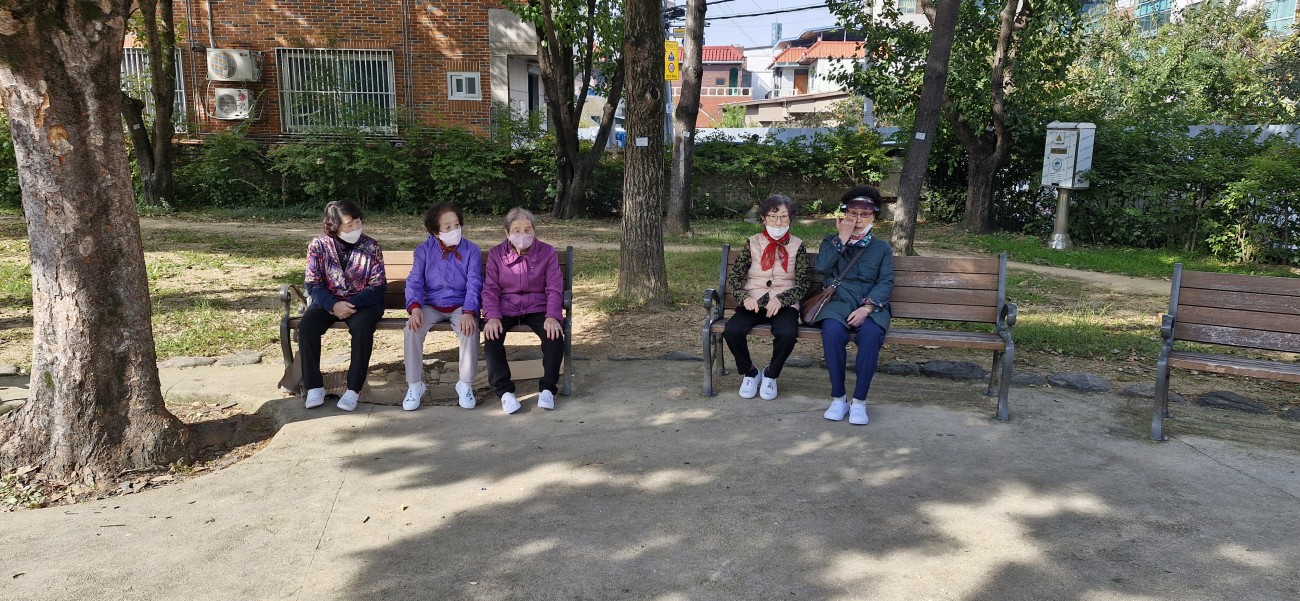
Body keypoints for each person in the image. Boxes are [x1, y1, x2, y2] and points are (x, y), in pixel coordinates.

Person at [812, 185, 894, 426]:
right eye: (852, 214)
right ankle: (838, 398)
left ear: (874, 217)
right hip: (838, 303)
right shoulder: (831, 241)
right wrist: (842, 239)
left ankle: (859, 401)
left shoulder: (882, 248)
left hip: (869, 307)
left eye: (865, 214)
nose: (858, 220)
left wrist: (867, 308)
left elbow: (886, 281)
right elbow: (821, 267)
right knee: (832, 331)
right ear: (844, 215)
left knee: (870, 335)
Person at [721, 194, 814, 400]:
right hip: (754, 301)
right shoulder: (752, 242)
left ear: (790, 218)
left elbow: (803, 283)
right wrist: (744, 297)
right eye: (773, 217)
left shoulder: (798, 245)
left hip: (783, 304)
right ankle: (750, 372)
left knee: (787, 333)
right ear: (764, 218)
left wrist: (782, 299)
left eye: (783, 216)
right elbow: (734, 277)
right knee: (732, 330)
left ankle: (771, 374)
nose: (778, 222)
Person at [298, 200, 387, 411]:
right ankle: (314, 386)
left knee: (362, 327)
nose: (356, 227)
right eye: (349, 224)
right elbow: (313, 283)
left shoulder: (371, 246)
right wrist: (334, 304)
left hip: (364, 303)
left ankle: (353, 389)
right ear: (334, 226)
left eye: (358, 222)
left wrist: (349, 304)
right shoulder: (318, 246)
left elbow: (378, 286)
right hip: (328, 302)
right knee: (307, 325)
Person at [481, 207, 565, 414]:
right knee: (491, 336)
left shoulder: (548, 252)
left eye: (527, 230)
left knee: (554, 335)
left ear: (534, 230)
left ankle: (547, 389)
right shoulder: (496, 254)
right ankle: (505, 392)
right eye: (516, 230)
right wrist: (492, 316)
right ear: (507, 233)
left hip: (537, 306)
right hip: (506, 307)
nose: (522, 235)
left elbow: (554, 287)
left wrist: (553, 315)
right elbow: (490, 289)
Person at [403, 203, 482, 411]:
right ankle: (414, 385)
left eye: (457, 225)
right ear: (435, 231)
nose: (454, 230)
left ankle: (465, 384)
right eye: (447, 227)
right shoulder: (423, 250)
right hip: (430, 304)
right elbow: (414, 281)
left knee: (470, 329)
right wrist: (415, 308)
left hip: (460, 305)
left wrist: (469, 311)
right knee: (412, 329)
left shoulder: (472, 250)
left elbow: (474, 283)